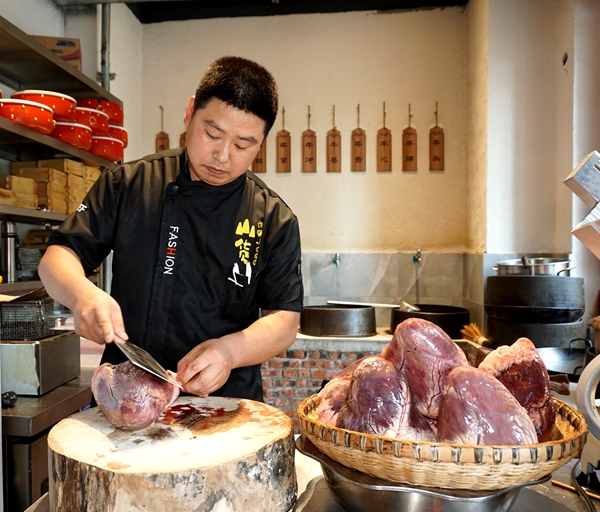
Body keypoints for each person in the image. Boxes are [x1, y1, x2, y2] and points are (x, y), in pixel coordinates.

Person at [38, 56, 303, 401]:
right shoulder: (129, 183)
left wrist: (230, 352)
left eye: (243, 145)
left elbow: (284, 320)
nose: (222, 155)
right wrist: (82, 294)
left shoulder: (273, 218)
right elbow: (57, 258)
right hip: (126, 394)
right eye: (212, 133)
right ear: (190, 111)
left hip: (224, 403)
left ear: (262, 141)